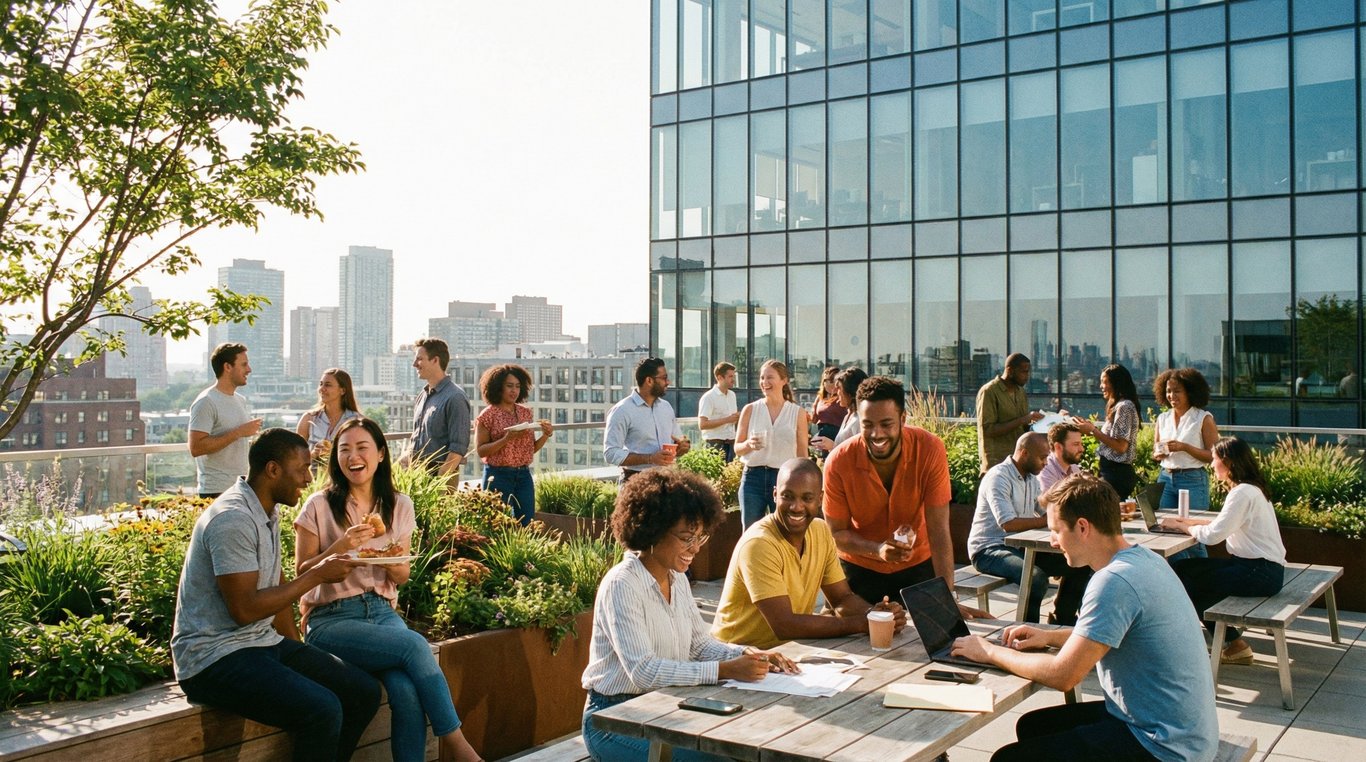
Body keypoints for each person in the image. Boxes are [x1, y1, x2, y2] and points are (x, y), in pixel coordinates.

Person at [950, 473, 1219, 761]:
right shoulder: (1145, 560)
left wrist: (988, 651)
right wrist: (1049, 635)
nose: (1053, 541)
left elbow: (1063, 675)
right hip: (1185, 733)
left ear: (1082, 527)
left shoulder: (1114, 581)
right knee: (1033, 726)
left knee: (1008, 759)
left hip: (1164, 748)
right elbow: (1107, 633)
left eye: (1056, 530)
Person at [172, 429, 380, 762]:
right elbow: (244, 609)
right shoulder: (233, 519)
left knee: (363, 692)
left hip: (258, 644)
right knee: (323, 709)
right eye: (302, 468)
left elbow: (277, 584)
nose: (309, 478)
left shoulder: (266, 509)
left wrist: (299, 653)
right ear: (273, 470)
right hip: (212, 658)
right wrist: (317, 574)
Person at [295, 418, 483, 762]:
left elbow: (402, 575)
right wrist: (340, 546)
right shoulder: (318, 506)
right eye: (344, 449)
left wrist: (392, 561)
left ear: (381, 454)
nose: (353, 456)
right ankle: (456, 743)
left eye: (362, 447)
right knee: (414, 644)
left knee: (406, 690)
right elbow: (301, 573)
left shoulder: (399, 505)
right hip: (330, 620)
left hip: (381, 612)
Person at [580, 469, 797, 762]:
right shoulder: (622, 584)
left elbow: (698, 646)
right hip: (613, 720)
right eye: (686, 538)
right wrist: (725, 670)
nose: (694, 548)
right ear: (653, 530)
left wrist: (749, 654)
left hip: (665, 709)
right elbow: (643, 672)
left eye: (700, 537)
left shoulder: (676, 577)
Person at [824, 376, 988, 616]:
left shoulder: (930, 448)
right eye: (867, 424)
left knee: (937, 639)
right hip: (858, 568)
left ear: (903, 419)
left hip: (917, 565)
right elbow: (836, 534)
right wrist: (877, 549)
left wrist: (947, 597)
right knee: (857, 645)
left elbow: (939, 531)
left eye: (886, 424)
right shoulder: (838, 462)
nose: (876, 434)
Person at [712, 458, 907, 649]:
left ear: (820, 499)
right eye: (787, 496)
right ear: (774, 495)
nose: (796, 507)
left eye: (807, 498)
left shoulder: (821, 531)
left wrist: (874, 614)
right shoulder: (759, 543)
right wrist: (861, 624)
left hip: (787, 653)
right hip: (736, 656)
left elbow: (842, 599)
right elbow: (785, 625)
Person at [1163, 437, 1287, 666]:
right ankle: (1228, 640)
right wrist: (1188, 522)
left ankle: (1232, 644)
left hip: (1258, 573)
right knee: (1182, 570)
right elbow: (1222, 524)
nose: (1211, 465)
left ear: (1228, 462)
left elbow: (1212, 536)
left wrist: (1182, 526)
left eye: (1214, 459)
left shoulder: (1241, 493)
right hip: (1261, 569)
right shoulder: (1252, 489)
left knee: (1186, 581)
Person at [969, 433, 1090, 625]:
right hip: (988, 549)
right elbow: (1008, 524)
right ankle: (1027, 632)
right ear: (1024, 453)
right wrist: (1045, 520)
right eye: (1042, 458)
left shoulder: (1031, 479)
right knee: (1035, 578)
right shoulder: (998, 477)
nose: (1045, 463)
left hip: (1017, 548)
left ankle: (1062, 621)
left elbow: (1046, 511)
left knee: (1080, 562)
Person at [735, 359, 810, 528]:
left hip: (784, 478)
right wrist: (748, 444)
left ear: (784, 381)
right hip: (753, 478)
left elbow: (802, 452)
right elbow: (737, 448)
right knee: (750, 532)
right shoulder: (750, 409)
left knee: (785, 530)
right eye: (762, 378)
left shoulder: (797, 413)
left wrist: (805, 483)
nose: (764, 382)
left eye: (770, 377)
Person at [474, 363, 553, 525]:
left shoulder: (525, 412)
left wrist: (546, 434)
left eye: (517, 386)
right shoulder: (487, 415)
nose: (514, 391)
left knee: (527, 523)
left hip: (523, 475)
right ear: (498, 387)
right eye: (509, 386)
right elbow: (481, 451)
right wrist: (506, 439)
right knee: (495, 525)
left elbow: (530, 450)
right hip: (497, 476)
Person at [189, 342, 263, 499]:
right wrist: (239, 432)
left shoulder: (240, 400)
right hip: (215, 491)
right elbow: (196, 447)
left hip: (241, 487)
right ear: (227, 367)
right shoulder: (206, 401)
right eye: (244, 364)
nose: (249, 369)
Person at [603, 357, 691, 483]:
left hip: (666, 479)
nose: (668, 382)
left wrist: (683, 446)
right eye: (664, 378)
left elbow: (677, 440)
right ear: (649, 380)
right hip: (635, 482)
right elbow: (610, 453)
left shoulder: (666, 407)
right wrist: (650, 458)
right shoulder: (622, 410)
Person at [405, 337, 472, 484]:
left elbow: (457, 448)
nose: (414, 364)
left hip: (440, 480)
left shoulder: (455, 398)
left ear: (435, 360)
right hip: (416, 476)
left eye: (420, 359)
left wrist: (438, 484)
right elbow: (416, 440)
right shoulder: (423, 396)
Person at [1072, 364, 1141, 499]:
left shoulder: (1125, 407)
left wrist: (1093, 431)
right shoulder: (1117, 406)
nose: (1101, 386)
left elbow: (1121, 446)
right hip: (1110, 471)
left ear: (1116, 383)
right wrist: (1089, 428)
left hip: (1117, 474)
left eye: (1104, 382)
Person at [977, 353, 1045, 475]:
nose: (1027, 376)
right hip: (996, 465)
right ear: (1010, 370)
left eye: (1028, 372)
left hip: (1018, 464)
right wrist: (1022, 420)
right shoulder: (989, 392)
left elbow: (1024, 426)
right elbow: (988, 430)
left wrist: (1040, 423)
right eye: (1024, 372)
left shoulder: (1020, 392)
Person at [295, 368, 361, 463]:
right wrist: (313, 454)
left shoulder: (357, 421)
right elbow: (296, 456)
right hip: (314, 477)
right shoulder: (308, 418)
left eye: (328, 385)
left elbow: (362, 454)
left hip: (344, 476)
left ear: (342, 390)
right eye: (321, 384)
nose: (322, 389)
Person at [811, 366, 868, 455]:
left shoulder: (860, 420)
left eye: (839, 388)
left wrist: (833, 445)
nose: (836, 392)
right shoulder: (848, 416)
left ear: (850, 393)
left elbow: (861, 454)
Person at [697, 361, 740, 462]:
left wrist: (738, 417)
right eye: (730, 376)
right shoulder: (708, 397)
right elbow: (702, 424)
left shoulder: (732, 395)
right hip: (714, 444)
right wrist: (727, 419)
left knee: (730, 476)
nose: (733, 380)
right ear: (719, 377)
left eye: (733, 376)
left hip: (731, 442)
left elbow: (731, 420)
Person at [1038, 422, 1084, 494]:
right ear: (1058, 447)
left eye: (1081, 444)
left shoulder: (1074, 468)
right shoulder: (1045, 471)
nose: (1082, 449)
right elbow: (1050, 503)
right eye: (1076, 444)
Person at [811, 365, 847, 442]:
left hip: (838, 434)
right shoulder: (820, 398)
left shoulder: (842, 397)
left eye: (833, 381)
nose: (831, 384)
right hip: (822, 433)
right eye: (827, 381)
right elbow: (814, 419)